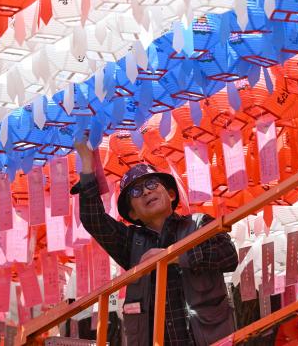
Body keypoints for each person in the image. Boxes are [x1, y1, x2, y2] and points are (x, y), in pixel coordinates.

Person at [72, 140, 239, 346]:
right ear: (132, 213)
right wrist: (87, 164)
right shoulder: (130, 243)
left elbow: (228, 256)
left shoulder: (199, 224)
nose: (145, 192)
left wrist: (173, 256)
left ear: (170, 194)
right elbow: (93, 219)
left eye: (151, 184)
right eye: (135, 191)